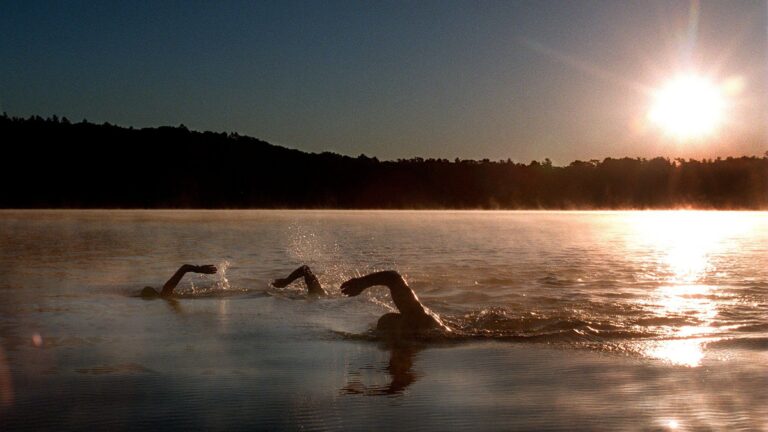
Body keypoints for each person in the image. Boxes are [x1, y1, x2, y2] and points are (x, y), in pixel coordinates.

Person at [272, 266, 450, 337]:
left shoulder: (418, 320)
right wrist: (362, 283)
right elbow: (393, 277)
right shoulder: (416, 317)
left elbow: (393, 276)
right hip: (326, 303)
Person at [141, 264, 217, 298]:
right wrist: (199, 269)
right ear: (155, 292)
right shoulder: (165, 291)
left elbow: (184, 267)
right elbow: (184, 268)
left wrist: (199, 269)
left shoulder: (165, 291)